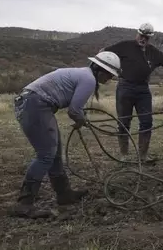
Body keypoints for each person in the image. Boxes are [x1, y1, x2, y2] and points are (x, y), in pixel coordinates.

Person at [11, 51, 122, 218]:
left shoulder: (83, 74)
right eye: (110, 75)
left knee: (54, 153)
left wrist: (79, 118)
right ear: (101, 70)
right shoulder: (89, 79)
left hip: (35, 104)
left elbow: (75, 109)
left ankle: (64, 195)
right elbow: (74, 110)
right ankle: (24, 204)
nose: (110, 79)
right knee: (46, 155)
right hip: (35, 106)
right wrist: (81, 121)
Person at [101, 23, 163, 162]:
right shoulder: (125, 46)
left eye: (146, 37)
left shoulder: (152, 52)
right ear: (137, 33)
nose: (143, 39)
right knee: (123, 122)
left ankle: (143, 156)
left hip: (143, 90)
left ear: (150, 38)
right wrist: (107, 70)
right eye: (141, 35)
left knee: (146, 122)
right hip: (125, 87)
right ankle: (124, 156)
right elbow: (104, 51)